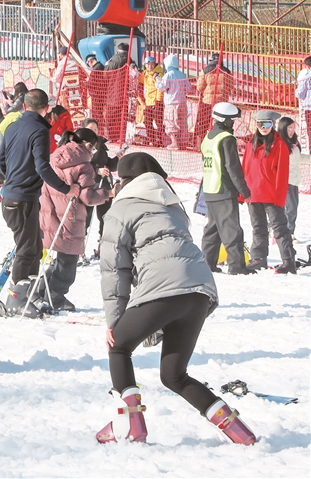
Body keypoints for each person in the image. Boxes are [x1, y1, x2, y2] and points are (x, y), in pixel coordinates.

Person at [96, 152, 255, 446]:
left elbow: (113, 269)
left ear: (124, 181)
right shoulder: (173, 207)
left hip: (165, 289)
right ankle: (238, 431)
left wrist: (115, 323)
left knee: (118, 347)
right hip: (199, 291)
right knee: (174, 375)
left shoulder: (120, 210)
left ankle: (131, 425)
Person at [0, 89, 81, 302]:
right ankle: (15, 299)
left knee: (34, 247)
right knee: (27, 249)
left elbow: (1, 158)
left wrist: (13, 179)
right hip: (22, 198)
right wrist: (65, 188)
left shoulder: (12, 126)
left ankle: (29, 294)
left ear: (24, 106)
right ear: (47, 108)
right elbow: (42, 166)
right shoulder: (40, 130)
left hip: (16, 196)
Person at [18, 128, 111, 317]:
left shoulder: (56, 155)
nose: (93, 153)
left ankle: (42, 291)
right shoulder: (83, 165)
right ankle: (56, 296)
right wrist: (108, 193)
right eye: (93, 149)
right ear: (87, 145)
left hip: (49, 212)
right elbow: (87, 197)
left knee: (60, 258)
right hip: (69, 217)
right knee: (68, 261)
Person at [199, 102, 254, 275]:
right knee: (232, 230)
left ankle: (207, 263)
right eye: (233, 120)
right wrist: (244, 191)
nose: (234, 123)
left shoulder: (208, 138)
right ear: (225, 120)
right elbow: (233, 168)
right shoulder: (227, 139)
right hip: (223, 190)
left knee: (212, 230)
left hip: (209, 190)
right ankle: (237, 266)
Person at [241, 110, 295, 274]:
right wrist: (243, 192)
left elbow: (282, 174)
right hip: (253, 194)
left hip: (271, 195)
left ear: (273, 125)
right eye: (260, 124)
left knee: (279, 228)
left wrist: (279, 197)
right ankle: (259, 259)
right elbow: (246, 169)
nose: (263, 127)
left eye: (267, 124)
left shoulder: (280, 145)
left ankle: (288, 261)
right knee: (258, 227)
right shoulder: (251, 143)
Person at [83, 118, 125, 251]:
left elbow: (109, 165)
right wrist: (97, 170)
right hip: (88, 186)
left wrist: (117, 159)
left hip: (104, 186)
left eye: (95, 129)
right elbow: (82, 166)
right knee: (85, 217)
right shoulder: (80, 145)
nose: (93, 132)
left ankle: (102, 247)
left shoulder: (100, 144)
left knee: (104, 217)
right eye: (90, 129)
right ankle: (80, 250)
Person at [277, 116, 309, 242]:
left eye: (293, 128)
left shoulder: (294, 144)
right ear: (283, 128)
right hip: (285, 181)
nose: (291, 130)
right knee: (291, 209)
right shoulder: (280, 144)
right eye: (289, 128)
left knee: (292, 208)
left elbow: (298, 157)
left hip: (295, 181)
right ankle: (288, 233)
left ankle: (276, 228)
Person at [194, 53, 233, 148]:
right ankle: (219, 144)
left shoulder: (205, 71)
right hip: (221, 103)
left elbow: (199, 87)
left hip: (207, 101)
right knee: (219, 123)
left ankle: (201, 144)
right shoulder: (226, 71)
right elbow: (230, 86)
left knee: (203, 123)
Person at [155, 54, 194, 150]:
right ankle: (183, 143)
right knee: (182, 122)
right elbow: (188, 88)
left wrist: (156, 79)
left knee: (171, 122)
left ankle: (174, 143)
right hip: (182, 102)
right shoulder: (182, 74)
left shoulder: (168, 75)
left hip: (171, 103)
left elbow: (162, 87)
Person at [140, 57, 165, 147]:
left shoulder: (157, 73)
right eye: (148, 64)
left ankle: (159, 140)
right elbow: (140, 80)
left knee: (158, 122)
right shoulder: (145, 73)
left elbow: (160, 88)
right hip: (148, 102)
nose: (150, 66)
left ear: (154, 64)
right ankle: (151, 139)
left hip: (156, 102)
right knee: (147, 121)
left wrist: (158, 100)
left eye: (151, 64)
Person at [295, 56, 311, 141]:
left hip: (309, 108)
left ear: (308, 66)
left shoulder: (305, 77)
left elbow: (301, 93)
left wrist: (296, 91)